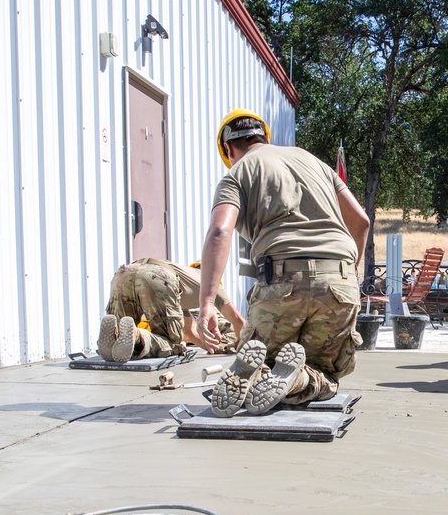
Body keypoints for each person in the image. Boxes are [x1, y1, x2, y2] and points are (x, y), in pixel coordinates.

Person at [195, 109, 370, 418]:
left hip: (281, 281)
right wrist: (349, 274)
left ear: (228, 149)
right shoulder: (315, 162)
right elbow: (361, 220)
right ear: (264, 136)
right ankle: (298, 379)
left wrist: (208, 302)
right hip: (340, 280)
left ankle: (260, 373)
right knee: (324, 372)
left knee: (264, 360)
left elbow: (220, 230)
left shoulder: (238, 173)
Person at [97, 258, 244, 362]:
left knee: (120, 337)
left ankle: (113, 337)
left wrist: (216, 348)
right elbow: (238, 321)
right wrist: (241, 345)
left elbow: (189, 332)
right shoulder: (213, 284)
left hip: (125, 272)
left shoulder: (185, 278)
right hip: (157, 277)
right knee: (171, 343)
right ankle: (136, 335)